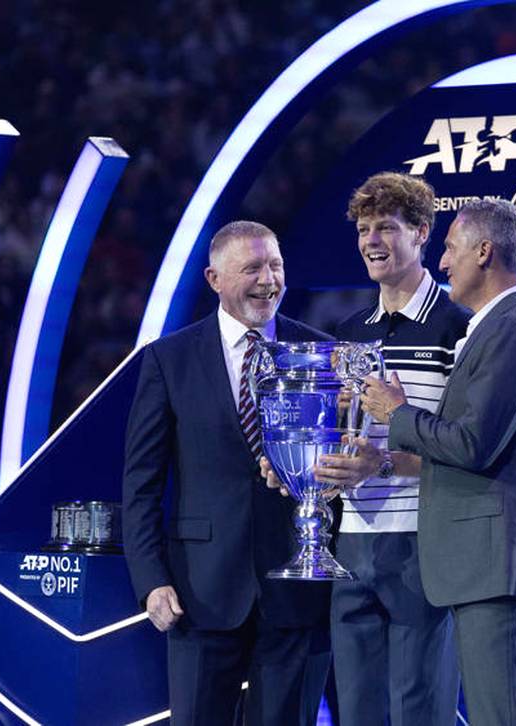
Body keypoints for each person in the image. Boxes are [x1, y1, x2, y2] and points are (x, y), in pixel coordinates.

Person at [360, 199, 516, 726]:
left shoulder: (514, 330)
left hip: (506, 567)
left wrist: (398, 413)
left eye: (449, 248)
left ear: (484, 252)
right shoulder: (499, 329)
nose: (442, 263)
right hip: (492, 567)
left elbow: (470, 444)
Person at [264, 172, 466, 725]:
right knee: (356, 711)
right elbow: (343, 435)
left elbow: (469, 451)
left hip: (424, 542)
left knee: (418, 708)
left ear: (422, 232)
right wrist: (303, 467)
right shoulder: (350, 331)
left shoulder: (459, 329)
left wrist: (388, 463)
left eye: (386, 227)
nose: (371, 241)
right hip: (351, 544)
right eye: (363, 229)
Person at [122, 221, 332, 725]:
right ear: (214, 278)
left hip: (297, 590)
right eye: (253, 268)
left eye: (276, 266)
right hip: (201, 591)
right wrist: (152, 580)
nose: (269, 280)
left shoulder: (321, 354)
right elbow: (141, 484)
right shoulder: (168, 359)